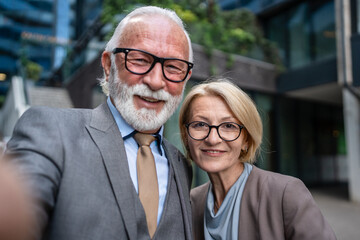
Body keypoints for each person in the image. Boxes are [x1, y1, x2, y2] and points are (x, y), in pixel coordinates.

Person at [6, 6, 194, 240]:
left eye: (173, 67)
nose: (156, 81)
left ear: (185, 77)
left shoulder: (182, 165)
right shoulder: (51, 131)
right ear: (108, 65)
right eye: (139, 60)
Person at [178, 78, 336, 240]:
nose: (212, 139)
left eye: (229, 126)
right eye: (200, 125)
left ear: (246, 140)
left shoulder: (285, 194)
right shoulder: (190, 201)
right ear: (186, 136)